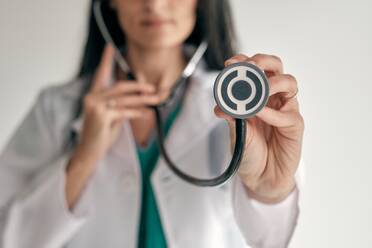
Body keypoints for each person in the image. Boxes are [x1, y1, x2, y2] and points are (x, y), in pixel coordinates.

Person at [0, 0, 304, 247]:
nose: (155, 4)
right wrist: (83, 158)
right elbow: (10, 238)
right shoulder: (57, 109)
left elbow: (270, 239)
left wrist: (269, 192)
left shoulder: (246, 111)